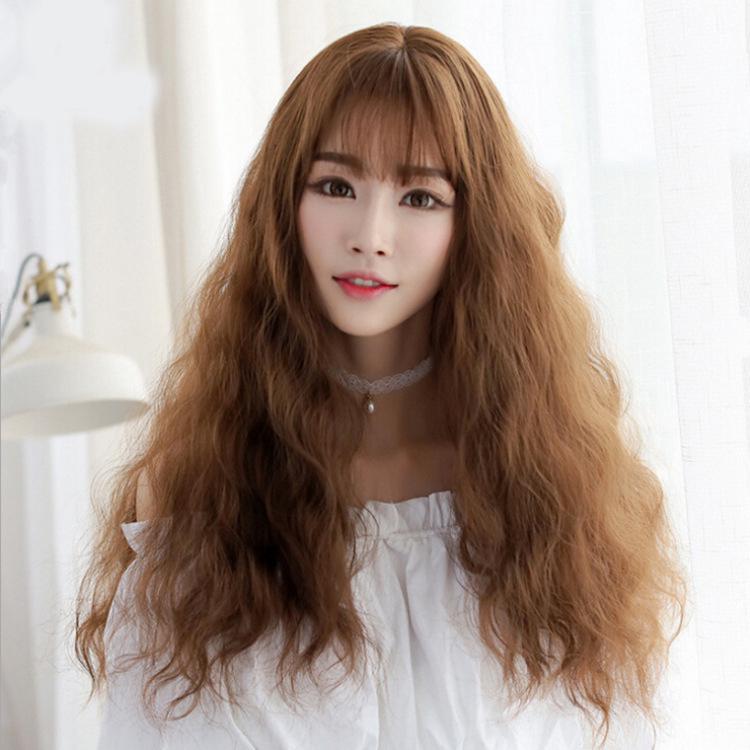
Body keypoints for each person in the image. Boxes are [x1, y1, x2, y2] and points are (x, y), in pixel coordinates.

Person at [74, 22, 687, 749]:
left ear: (476, 223)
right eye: (336, 186)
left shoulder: (560, 495)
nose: (370, 233)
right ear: (285, 205)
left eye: (420, 197)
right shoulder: (196, 491)